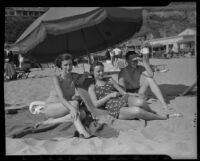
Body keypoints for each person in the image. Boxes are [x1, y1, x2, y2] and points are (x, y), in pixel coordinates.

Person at [88, 61, 182, 120]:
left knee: (141, 102)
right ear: (92, 73)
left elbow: (123, 92)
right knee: (137, 111)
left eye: (102, 70)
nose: (101, 73)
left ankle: (152, 112)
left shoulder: (109, 79)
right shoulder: (92, 87)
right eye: (98, 71)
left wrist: (135, 95)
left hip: (122, 98)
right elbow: (96, 104)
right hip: (113, 108)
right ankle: (163, 117)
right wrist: (110, 96)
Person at [29, 53, 91, 138]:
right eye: (65, 65)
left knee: (83, 114)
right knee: (75, 104)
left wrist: (87, 74)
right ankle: (83, 132)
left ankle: (50, 122)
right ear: (61, 66)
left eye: (70, 64)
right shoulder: (56, 78)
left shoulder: (75, 76)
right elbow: (61, 98)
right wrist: (73, 108)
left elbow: (85, 77)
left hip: (66, 108)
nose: (68, 67)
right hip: (52, 108)